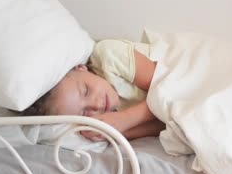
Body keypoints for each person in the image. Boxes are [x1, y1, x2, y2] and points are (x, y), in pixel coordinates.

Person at [23, 39, 165, 141]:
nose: (96, 105)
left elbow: (169, 89)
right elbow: (164, 124)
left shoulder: (108, 56)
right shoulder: (105, 121)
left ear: (80, 68)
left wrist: (125, 118)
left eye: (86, 91)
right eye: (84, 113)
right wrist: (117, 131)